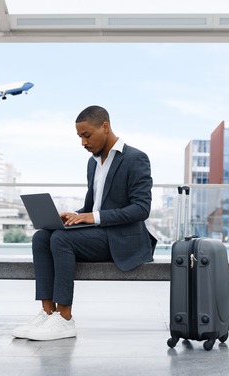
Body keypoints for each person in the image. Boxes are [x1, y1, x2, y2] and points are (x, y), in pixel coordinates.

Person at [12, 105, 157, 341]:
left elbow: (142, 209)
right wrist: (74, 215)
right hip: (98, 233)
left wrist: (94, 217)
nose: (83, 143)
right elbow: (91, 208)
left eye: (86, 135)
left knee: (61, 239)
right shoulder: (93, 163)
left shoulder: (135, 159)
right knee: (41, 237)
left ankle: (65, 318)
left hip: (123, 239)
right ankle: (48, 313)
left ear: (105, 127)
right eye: (79, 137)